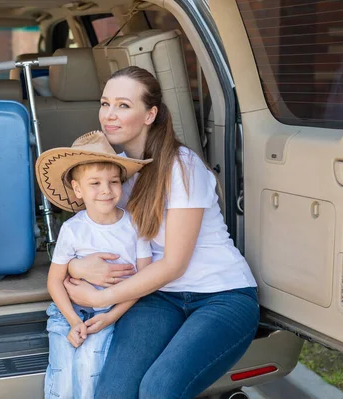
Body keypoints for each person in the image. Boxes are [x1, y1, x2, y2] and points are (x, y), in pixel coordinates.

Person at [62, 66, 260, 399]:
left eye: (123, 105)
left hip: (222, 296)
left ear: (150, 114)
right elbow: (86, 237)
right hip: (158, 297)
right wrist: (75, 266)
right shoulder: (115, 175)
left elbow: (174, 265)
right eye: (105, 103)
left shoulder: (182, 166)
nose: (109, 115)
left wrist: (101, 299)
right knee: (114, 392)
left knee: (159, 388)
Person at [35, 131, 153, 399]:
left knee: (90, 374)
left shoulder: (135, 225)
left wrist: (111, 316)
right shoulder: (72, 229)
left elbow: (144, 280)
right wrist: (73, 320)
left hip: (109, 313)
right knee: (62, 383)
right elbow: (55, 281)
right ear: (78, 189)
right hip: (67, 313)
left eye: (113, 182)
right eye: (95, 183)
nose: (106, 190)